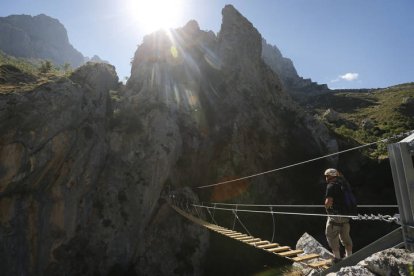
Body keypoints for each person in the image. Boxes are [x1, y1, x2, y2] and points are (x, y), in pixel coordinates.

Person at [324, 168, 353, 262]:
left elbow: (328, 202)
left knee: (331, 236)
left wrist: (327, 209)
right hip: (346, 217)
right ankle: (350, 257)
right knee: (346, 237)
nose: (326, 178)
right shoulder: (344, 185)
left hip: (335, 217)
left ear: (329, 176)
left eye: (326, 176)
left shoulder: (331, 186)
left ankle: (337, 258)